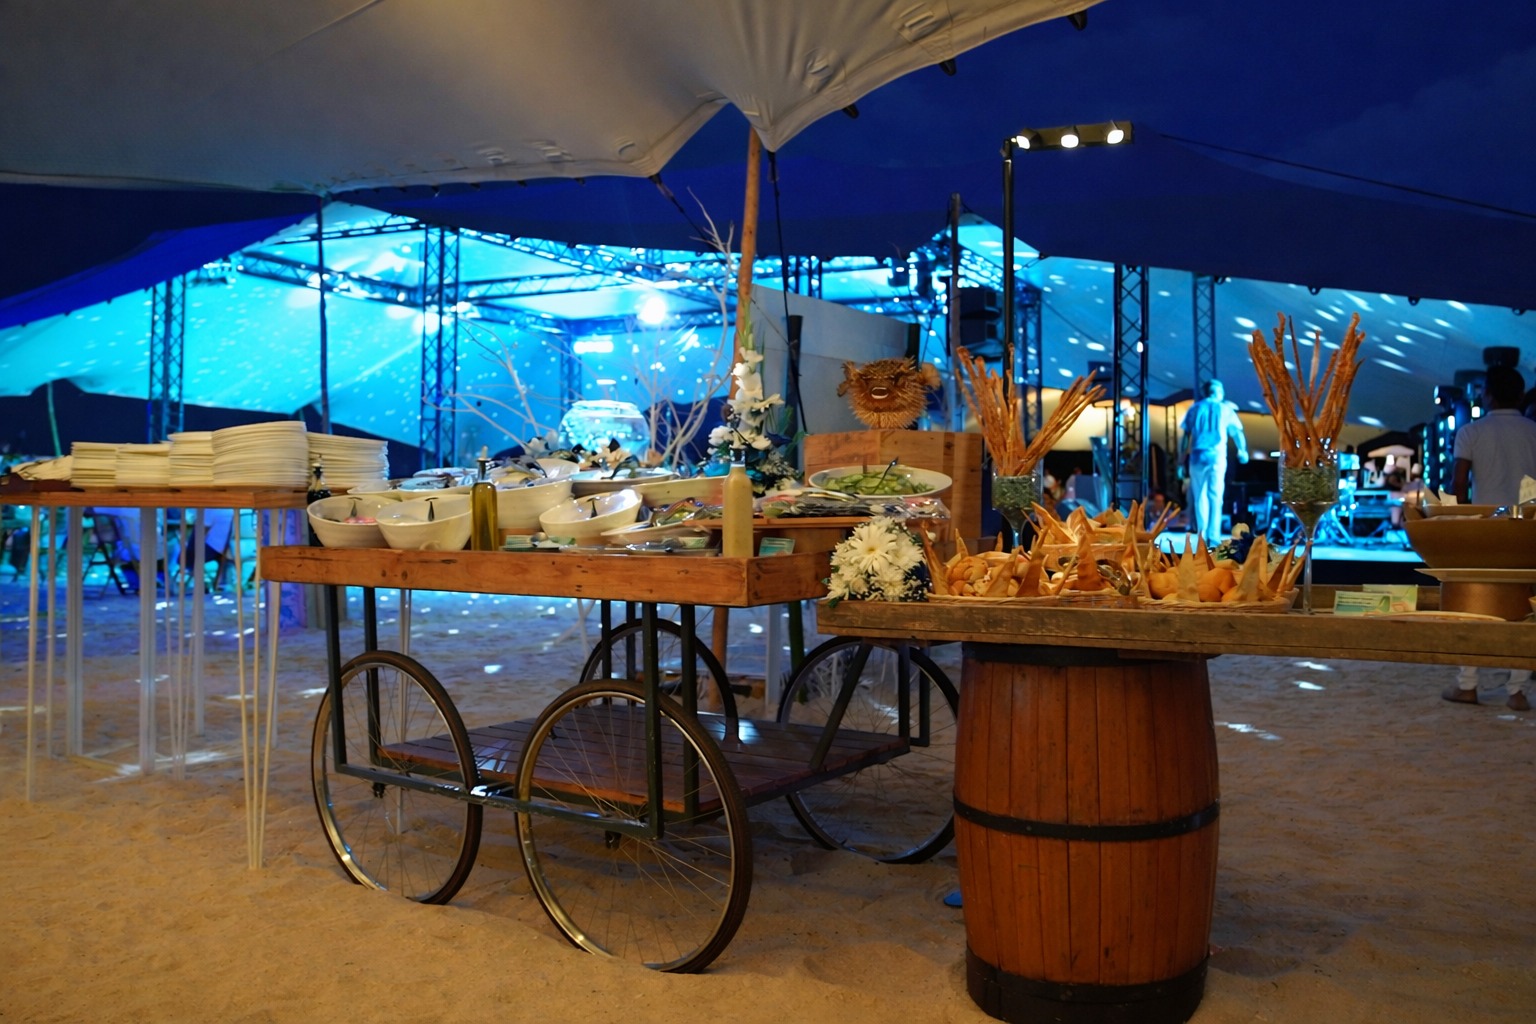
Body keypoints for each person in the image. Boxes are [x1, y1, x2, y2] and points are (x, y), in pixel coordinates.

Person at [1443, 364, 1536, 711]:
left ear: (1489, 394)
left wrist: (1466, 520)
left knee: (1473, 603)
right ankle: (1517, 691)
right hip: (1527, 527)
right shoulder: (1533, 431)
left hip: (1485, 528)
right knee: (1525, 607)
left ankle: (1468, 684)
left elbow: (1459, 484)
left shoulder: (1471, 431)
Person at [1178, 379, 1248, 547]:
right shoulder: (1225, 409)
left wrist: (1181, 462)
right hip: (1216, 456)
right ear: (1218, 392)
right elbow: (1237, 432)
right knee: (1215, 496)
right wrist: (1242, 450)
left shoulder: (1194, 408)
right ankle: (1214, 537)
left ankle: (1202, 536)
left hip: (1197, 456)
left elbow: (1185, 437)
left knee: (1199, 496)